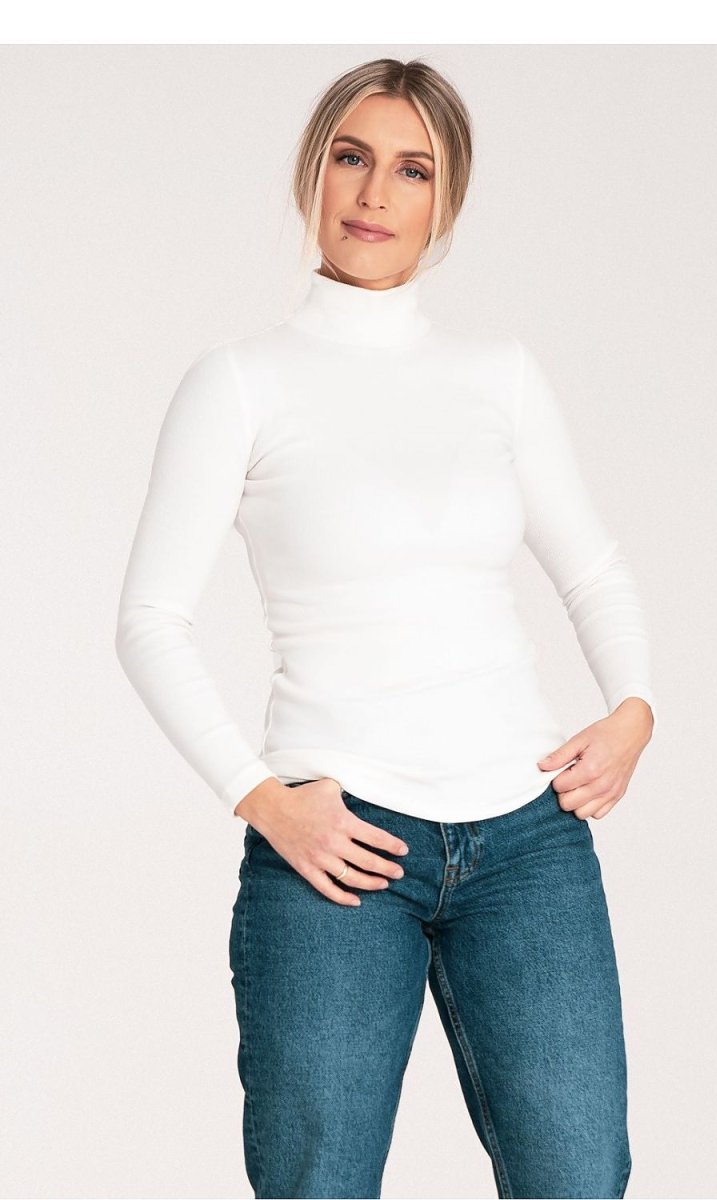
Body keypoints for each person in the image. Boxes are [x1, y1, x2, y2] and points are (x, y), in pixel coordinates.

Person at [115, 56, 655, 1200]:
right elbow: (150, 621)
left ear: (445, 200)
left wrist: (632, 709)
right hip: (337, 846)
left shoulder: (498, 376)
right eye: (350, 158)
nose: (374, 193)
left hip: (527, 845)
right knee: (318, 1184)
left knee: (578, 1177)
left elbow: (594, 569)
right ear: (310, 173)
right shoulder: (240, 383)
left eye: (412, 170)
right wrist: (262, 799)